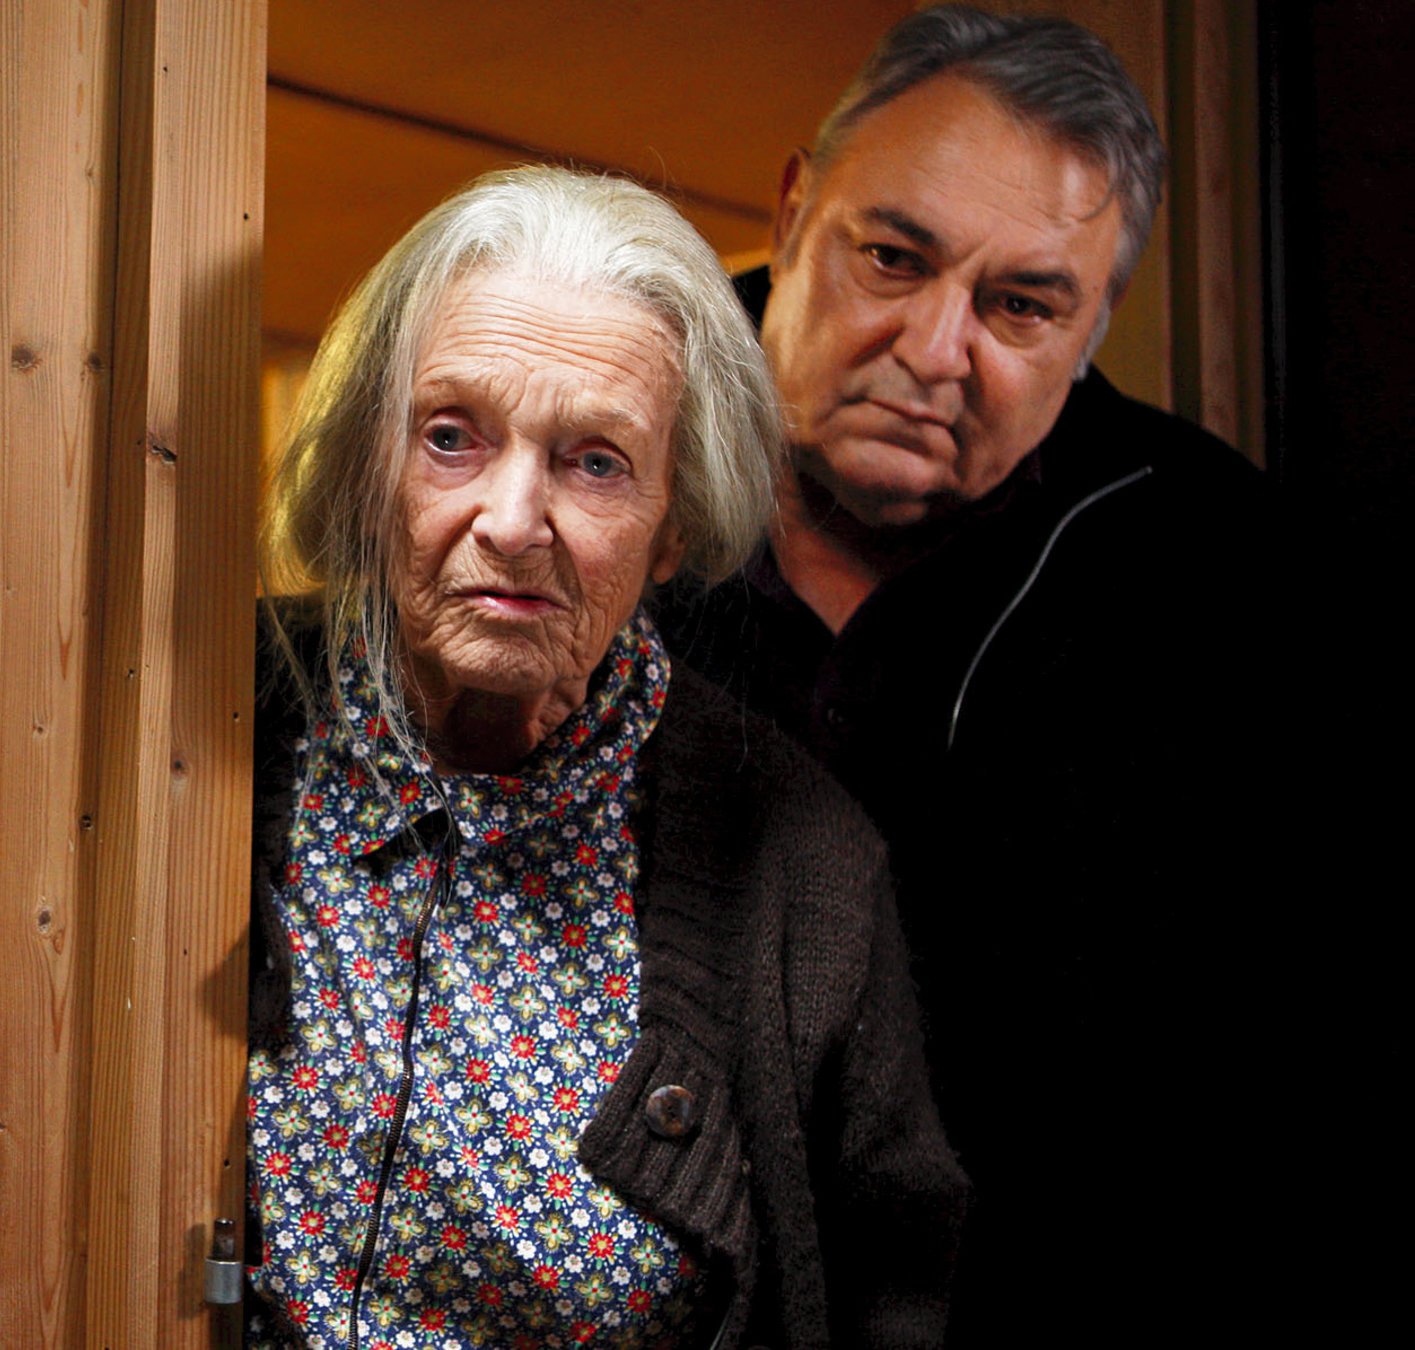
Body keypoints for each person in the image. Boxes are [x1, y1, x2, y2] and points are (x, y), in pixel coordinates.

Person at [247, 166, 965, 1350]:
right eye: (449, 439)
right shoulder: (197, 719)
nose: (513, 520)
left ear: (676, 519)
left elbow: (895, 1290)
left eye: (593, 462)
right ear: (372, 463)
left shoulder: (802, 867)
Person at [652, 9, 1273, 1345]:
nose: (933, 351)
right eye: (891, 257)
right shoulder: (584, 450)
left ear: (1094, 319)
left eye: (1018, 305)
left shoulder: (1218, 571)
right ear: (792, 202)